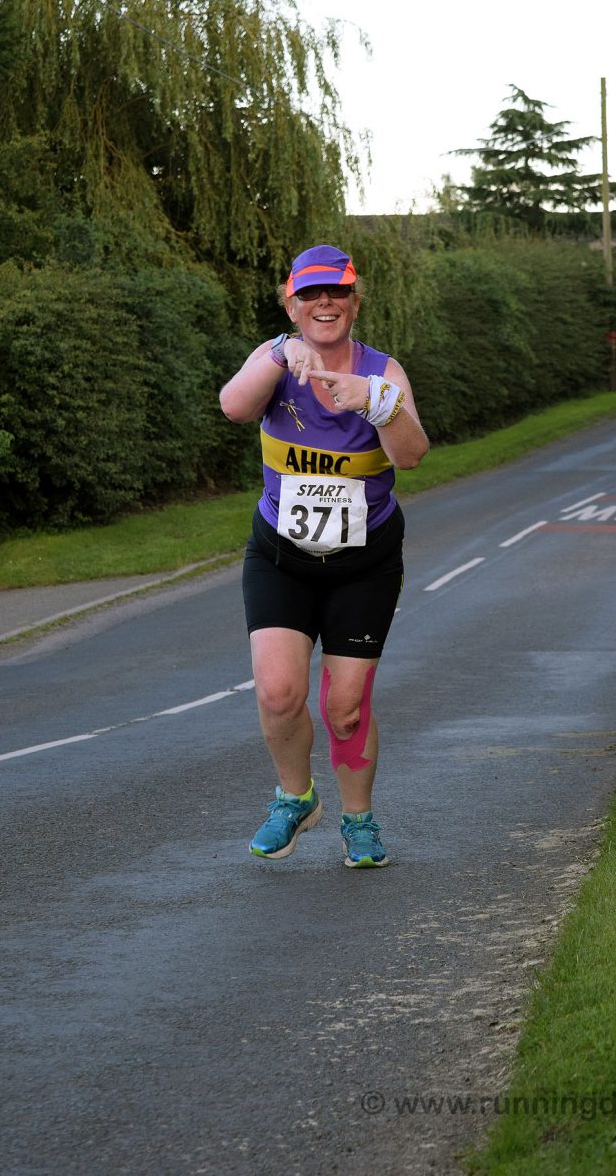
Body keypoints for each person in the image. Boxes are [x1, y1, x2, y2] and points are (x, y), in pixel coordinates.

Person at [219, 244, 429, 867]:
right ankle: (295, 798)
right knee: (278, 691)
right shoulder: (274, 359)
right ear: (292, 304)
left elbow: (411, 455)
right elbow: (233, 406)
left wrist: (374, 401)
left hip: (363, 563)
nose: (324, 303)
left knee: (343, 708)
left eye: (336, 292)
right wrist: (282, 355)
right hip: (281, 556)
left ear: (355, 303)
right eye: (310, 294)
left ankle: (358, 820)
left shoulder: (383, 373)